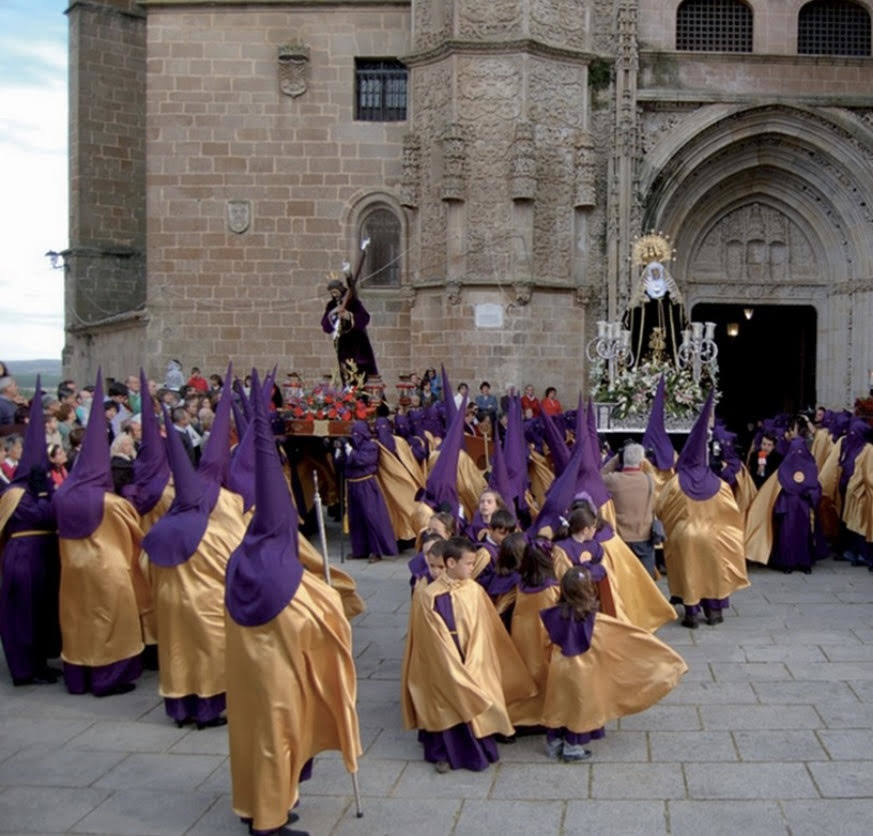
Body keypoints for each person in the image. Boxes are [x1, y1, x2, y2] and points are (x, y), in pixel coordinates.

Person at [225, 370, 362, 834]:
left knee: (251, 737)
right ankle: (269, 820)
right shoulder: (285, 576)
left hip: (246, 674)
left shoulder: (240, 560)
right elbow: (315, 625)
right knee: (276, 738)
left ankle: (258, 802)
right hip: (277, 674)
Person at [143, 392, 247, 729]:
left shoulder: (162, 528)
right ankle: (206, 710)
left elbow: (147, 565)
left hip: (170, 602)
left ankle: (179, 710)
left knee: (176, 654)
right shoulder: (214, 533)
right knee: (208, 654)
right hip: (205, 603)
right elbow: (233, 565)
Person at [401, 536, 536, 773]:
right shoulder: (428, 595)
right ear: (451, 563)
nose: (473, 568)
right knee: (447, 701)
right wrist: (450, 660)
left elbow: (486, 625)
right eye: (469, 564)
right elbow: (427, 636)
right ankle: (444, 753)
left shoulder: (474, 590)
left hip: (474, 657)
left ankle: (479, 744)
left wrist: (477, 654)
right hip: (444, 658)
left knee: (475, 697)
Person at [52, 371, 148, 696]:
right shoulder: (110, 502)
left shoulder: (62, 494)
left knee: (77, 620)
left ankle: (78, 678)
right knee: (110, 623)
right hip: (107, 569)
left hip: (72, 569)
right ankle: (108, 680)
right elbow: (134, 532)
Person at [539, 566, 688, 761]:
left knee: (559, 703)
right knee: (581, 707)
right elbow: (626, 637)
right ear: (589, 590)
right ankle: (572, 746)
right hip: (584, 673)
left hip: (559, 669)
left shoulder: (551, 615)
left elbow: (545, 641)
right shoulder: (596, 621)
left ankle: (554, 742)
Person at [655, 391, 749, 628]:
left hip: (685, 535)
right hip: (713, 535)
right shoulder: (720, 484)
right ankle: (714, 612)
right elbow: (732, 515)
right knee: (712, 572)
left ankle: (692, 614)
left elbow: (661, 507)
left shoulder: (676, 483)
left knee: (690, 573)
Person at [0, 378, 62, 685]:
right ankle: (25, 669)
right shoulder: (13, 492)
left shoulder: (39, 487)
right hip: (23, 556)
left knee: (41, 612)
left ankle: (41, 661)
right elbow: (40, 516)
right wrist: (42, 498)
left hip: (43, 555)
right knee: (23, 614)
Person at [745, 436, 822, 574]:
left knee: (804, 535)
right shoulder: (784, 466)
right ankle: (787, 563)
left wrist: (810, 494)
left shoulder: (810, 466)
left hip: (803, 507)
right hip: (788, 507)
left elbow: (815, 485)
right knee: (787, 535)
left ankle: (804, 563)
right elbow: (776, 487)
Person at [507, 541, 561, 728]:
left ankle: (523, 715)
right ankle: (545, 715)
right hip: (543, 636)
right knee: (545, 674)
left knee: (528, 673)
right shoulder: (551, 587)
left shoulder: (522, 583)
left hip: (522, 635)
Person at [342, 421, 398, 563]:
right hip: (352, 484)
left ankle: (376, 551)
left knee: (371, 517)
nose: (354, 437)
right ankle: (359, 550)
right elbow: (343, 464)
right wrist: (338, 451)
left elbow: (362, 461)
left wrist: (350, 452)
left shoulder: (371, 446)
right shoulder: (352, 445)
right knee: (356, 518)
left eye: (356, 434)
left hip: (366, 484)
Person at [601, 443, 657, 577]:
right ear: (642, 462)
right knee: (645, 582)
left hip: (621, 538)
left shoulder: (613, 480)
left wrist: (616, 458)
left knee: (623, 582)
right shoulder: (649, 480)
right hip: (644, 537)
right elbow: (651, 471)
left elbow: (599, 475)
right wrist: (643, 460)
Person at [321, 274, 378, 383]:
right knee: (345, 376)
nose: (334, 295)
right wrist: (334, 315)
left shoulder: (353, 302)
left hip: (357, 345)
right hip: (342, 345)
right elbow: (326, 326)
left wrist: (348, 315)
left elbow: (364, 318)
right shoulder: (331, 305)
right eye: (332, 292)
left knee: (359, 375)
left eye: (335, 291)